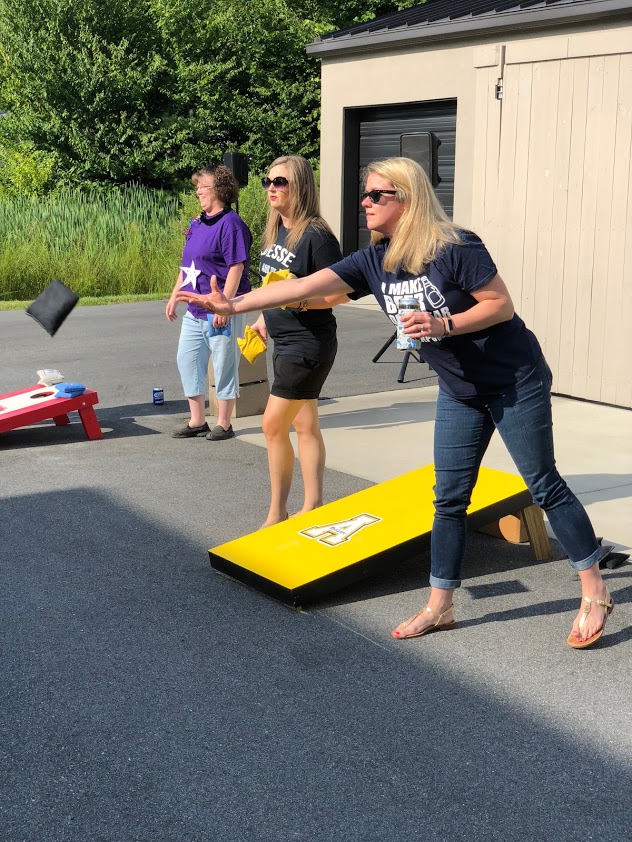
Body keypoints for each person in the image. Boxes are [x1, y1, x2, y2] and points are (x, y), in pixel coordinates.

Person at [176, 156, 612, 650]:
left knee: (543, 483)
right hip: (459, 389)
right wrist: (234, 305)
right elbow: (303, 286)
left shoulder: (455, 246)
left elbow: (500, 305)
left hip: (514, 379)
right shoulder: (373, 259)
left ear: (407, 199)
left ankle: (594, 589)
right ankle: (440, 603)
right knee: (448, 498)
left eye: (376, 195)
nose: (364, 202)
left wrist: (445, 325)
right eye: (364, 194)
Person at [246, 155, 346, 527]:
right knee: (304, 425)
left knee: (273, 425)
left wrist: (299, 301)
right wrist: (262, 319)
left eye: (280, 182)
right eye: (268, 182)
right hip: (283, 340)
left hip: (309, 344)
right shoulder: (276, 232)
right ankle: (314, 504)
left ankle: (277, 513)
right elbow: (274, 286)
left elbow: (340, 293)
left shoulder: (316, 235)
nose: (271, 188)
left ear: (300, 186)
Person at [166, 163, 252, 441]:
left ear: (219, 189)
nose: (198, 192)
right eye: (197, 187)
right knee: (187, 360)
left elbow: (236, 267)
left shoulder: (231, 225)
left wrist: (224, 305)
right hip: (194, 308)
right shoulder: (197, 222)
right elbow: (187, 265)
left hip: (221, 306)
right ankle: (197, 420)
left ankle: (224, 423)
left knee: (225, 361)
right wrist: (174, 296)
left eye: (203, 187)